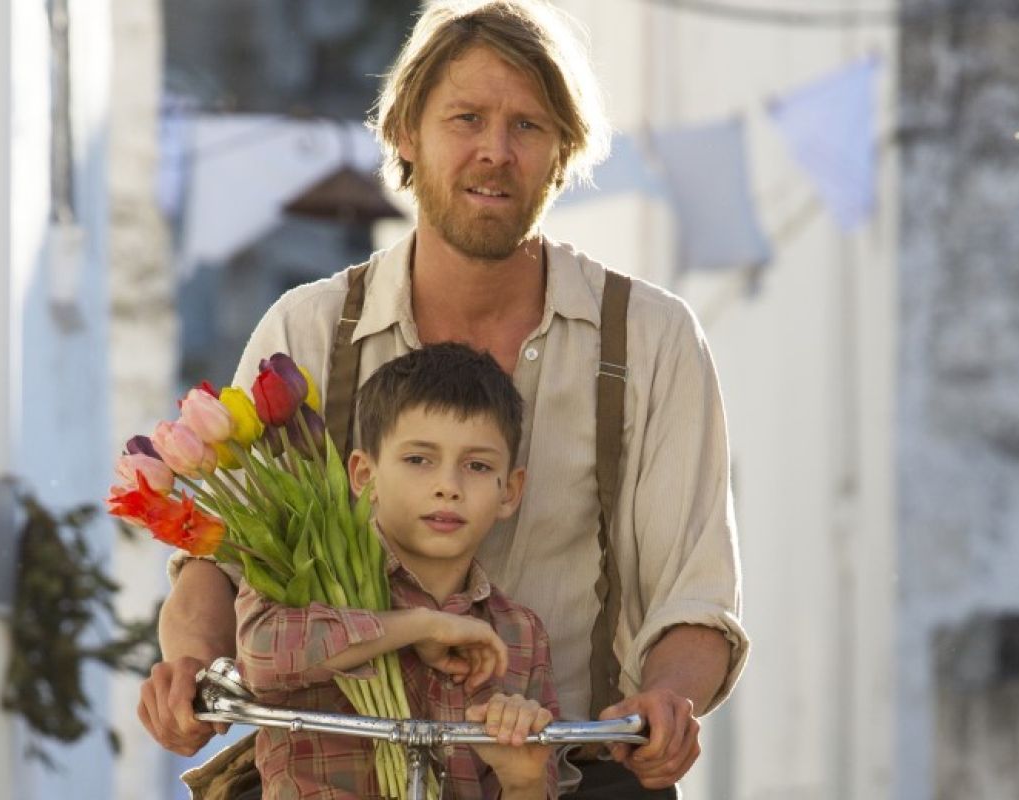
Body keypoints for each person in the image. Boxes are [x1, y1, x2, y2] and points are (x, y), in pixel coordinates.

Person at [141, 1, 750, 795]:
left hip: (569, 770)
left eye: (528, 127)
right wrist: (192, 663)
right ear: (404, 134)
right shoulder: (312, 327)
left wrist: (667, 699)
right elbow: (220, 559)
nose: (495, 152)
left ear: (564, 151)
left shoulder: (651, 340)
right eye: (465, 118)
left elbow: (694, 594)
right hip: (338, 772)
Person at [235, 343, 560, 799]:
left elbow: (536, 787)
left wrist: (522, 779)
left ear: (510, 490)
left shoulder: (520, 636)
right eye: (418, 459)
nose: (448, 486)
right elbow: (259, 658)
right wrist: (419, 626)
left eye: (478, 466)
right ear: (364, 475)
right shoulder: (305, 573)